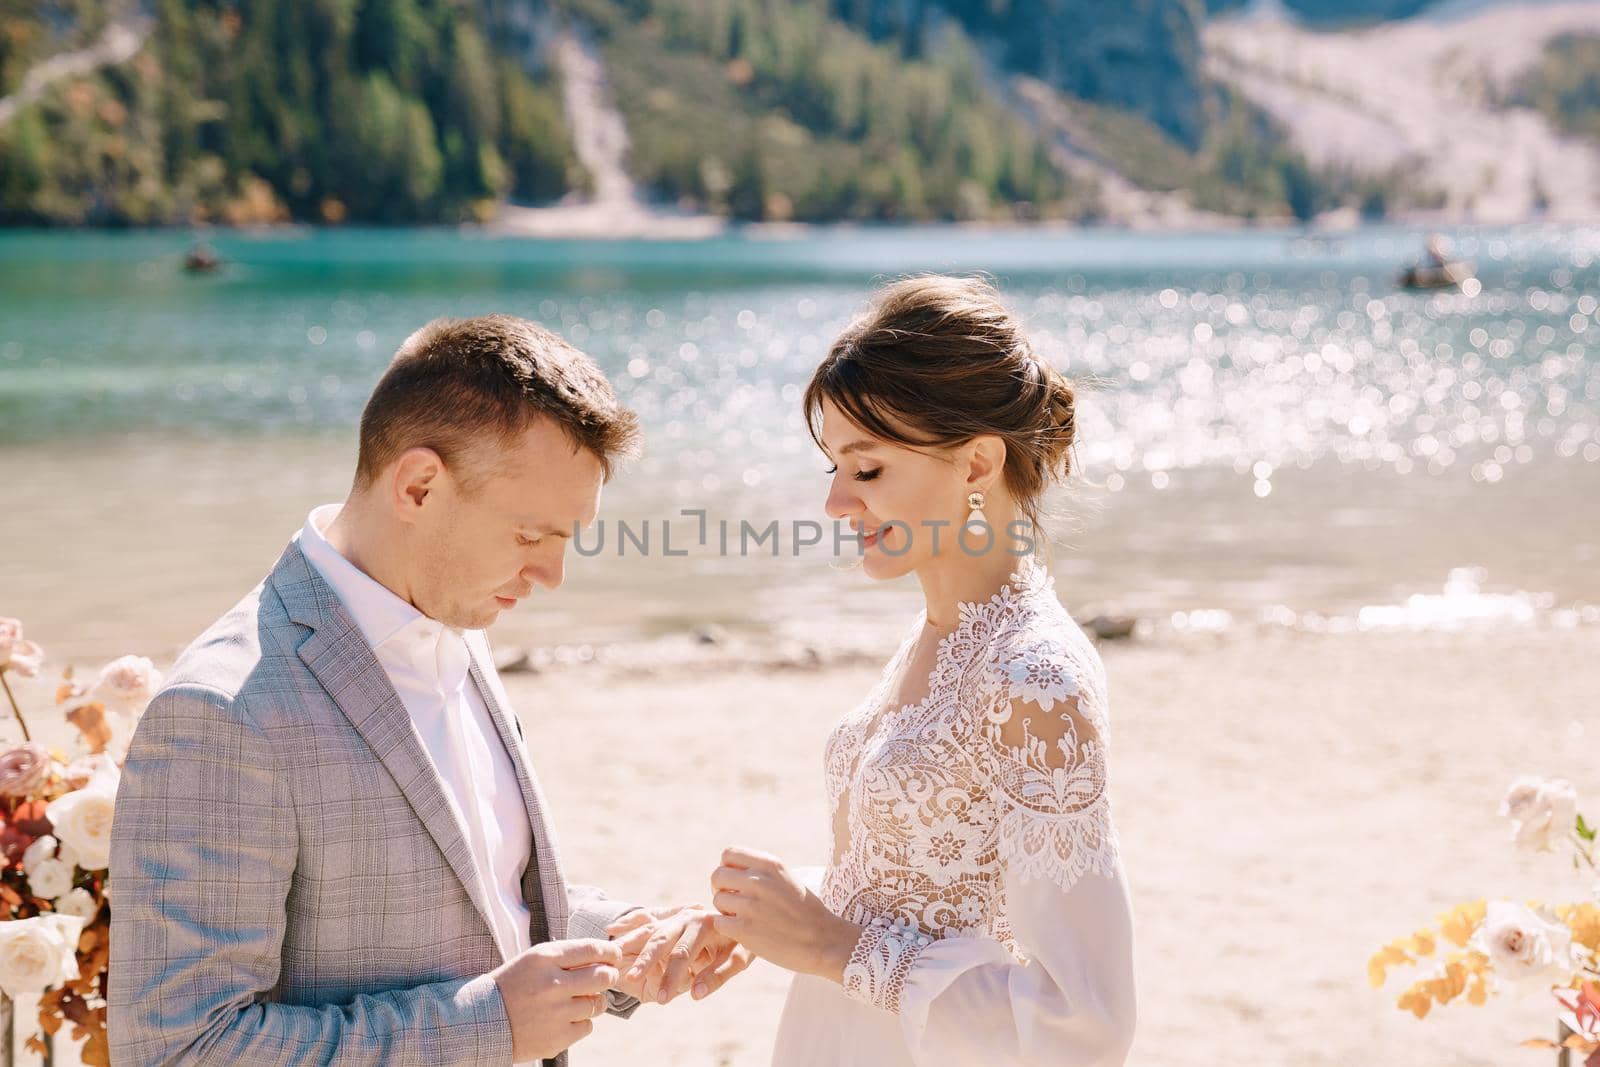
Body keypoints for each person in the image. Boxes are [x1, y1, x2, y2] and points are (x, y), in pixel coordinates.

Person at [108, 314, 748, 1065]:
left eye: (567, 539)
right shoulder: (225, 713)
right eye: (531, 535)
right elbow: (178, 1047)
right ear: (418, 486)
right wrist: (491, 1025)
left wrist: (621, 939)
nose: (552, 576)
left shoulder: (456, 623)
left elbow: (482, 895)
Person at [639, 276, 1137, 1065]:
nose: (837, 502)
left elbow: (1085, 1026)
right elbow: (924, 882)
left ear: (977, 464)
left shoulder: (1036, 679)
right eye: (834, 468)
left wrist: (834, 944)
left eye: (866, 471)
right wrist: (766, 916)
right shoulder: (936, 635)